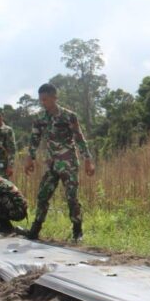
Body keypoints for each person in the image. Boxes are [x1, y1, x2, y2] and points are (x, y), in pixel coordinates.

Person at [25, 83, 94, 242]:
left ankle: (77, 232)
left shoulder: (69, 116)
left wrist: (88, 160)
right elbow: (34, 139)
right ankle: (35, 230)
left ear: (55, 97)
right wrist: (30, 158)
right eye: (41, 100)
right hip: (51, 164)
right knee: (43, 195)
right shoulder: (40, 118)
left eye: (46, 99)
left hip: (68, 163)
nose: (43, 102)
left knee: (71, 198)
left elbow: (79, 138)